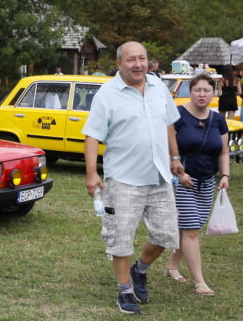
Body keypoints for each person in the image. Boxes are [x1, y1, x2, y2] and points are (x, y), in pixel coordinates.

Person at [82, 41, 184, 314]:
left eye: (142, 58)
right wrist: (92, 174)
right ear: (119, 63)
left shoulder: (158, 86)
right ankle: (125, 291)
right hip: (123, 178)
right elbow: (92, 135)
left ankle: (140, 271)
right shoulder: (107, 94)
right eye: (131, 60)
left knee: (166, 234)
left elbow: (169, 125)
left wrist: (175, 158)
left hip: (159, 176)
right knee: (121, 237)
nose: (138, 64)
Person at [164, 74, 228, 296]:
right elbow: (169, 149)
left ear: (214, 93)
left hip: (207, 182)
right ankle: (200, 281)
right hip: (183, 181)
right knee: (191, 230)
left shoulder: (218, 119)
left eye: (207, 90)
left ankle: (171, 266)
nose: (202, 94)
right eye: (197, 90)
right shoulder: (178, 115)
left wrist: (225, 175)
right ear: (190, 92)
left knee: (191, 229)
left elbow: (224, 151)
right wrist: (178, 171)